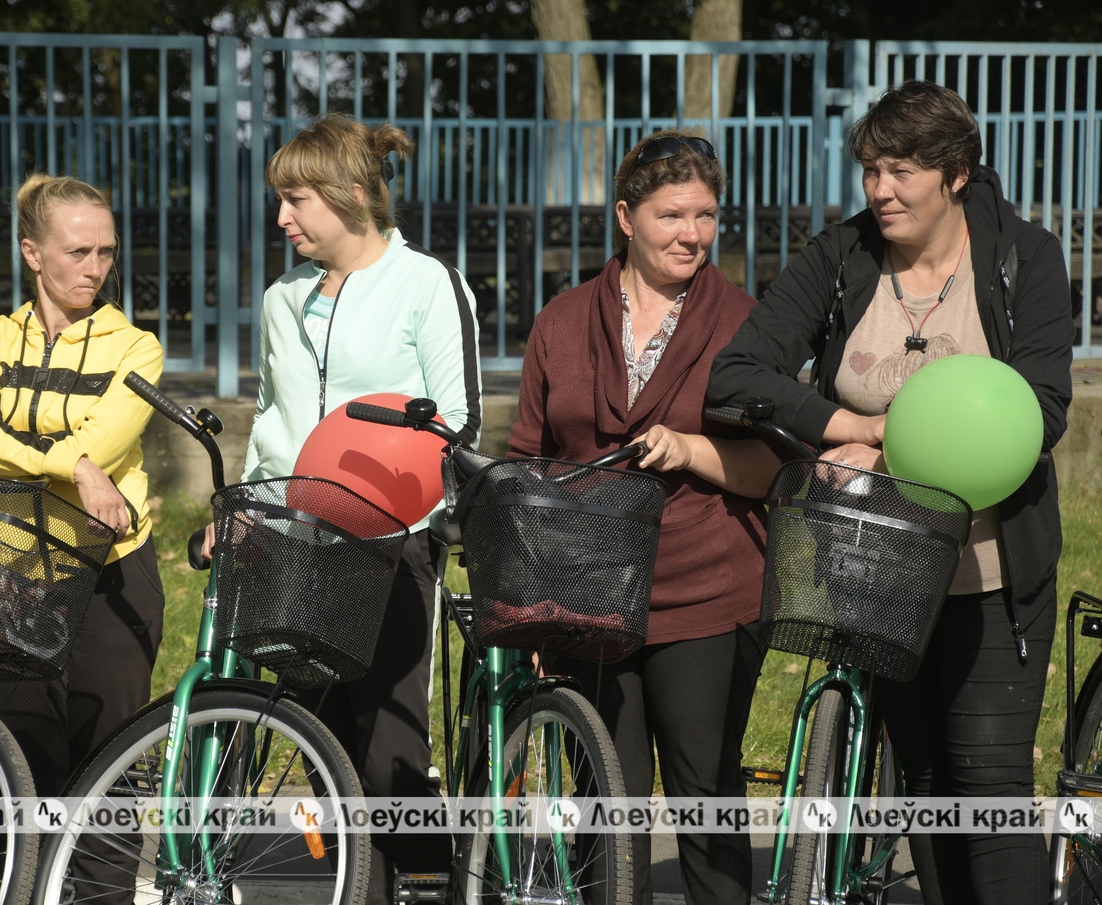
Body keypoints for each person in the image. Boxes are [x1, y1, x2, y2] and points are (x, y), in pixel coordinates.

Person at [708, 80, 1074, 904]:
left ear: (956, 173)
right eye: (871, 169)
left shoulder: (1026, 258)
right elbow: (734, 377)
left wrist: (916, 441)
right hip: (873, 573)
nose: (880, 190)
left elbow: (1042, 409)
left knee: (987, 786)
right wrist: (850, 427)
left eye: (901, 170)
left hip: (988, 573)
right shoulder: (842, 257)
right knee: (922, 786)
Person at [506, 129, 782, 905]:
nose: (691, 234)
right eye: (671, 216)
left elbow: (775, 469)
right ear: (626, 218)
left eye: (705, 216)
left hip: (705, 590)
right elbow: (530, 462)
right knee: (604, 798)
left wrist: (693, 449)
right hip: (585, 596)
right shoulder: (561, 320)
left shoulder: (746, 324)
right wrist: (534, 603)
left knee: (704, 792)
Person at [237, 113, 482, 904]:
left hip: (389, 543)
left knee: (391, 752)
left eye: (296, 199)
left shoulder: (425, 282)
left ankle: (426, 884)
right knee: (321, 744)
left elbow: (459, 418)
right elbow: (270, 416)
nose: (282, 217)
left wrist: (391, 499)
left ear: (350, 194)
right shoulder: (283, 296)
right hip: (291, 541)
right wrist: (245, 505)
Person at [0, 173, 166, 803]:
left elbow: (106, 441)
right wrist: (74, 469)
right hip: (6, 567)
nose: (95, 267)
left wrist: (51, 458)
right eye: (78, 252)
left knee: (107, 777)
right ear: (33, 253)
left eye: (106, 252)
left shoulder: (136, 347)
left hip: (110, 569)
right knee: (22, 769)